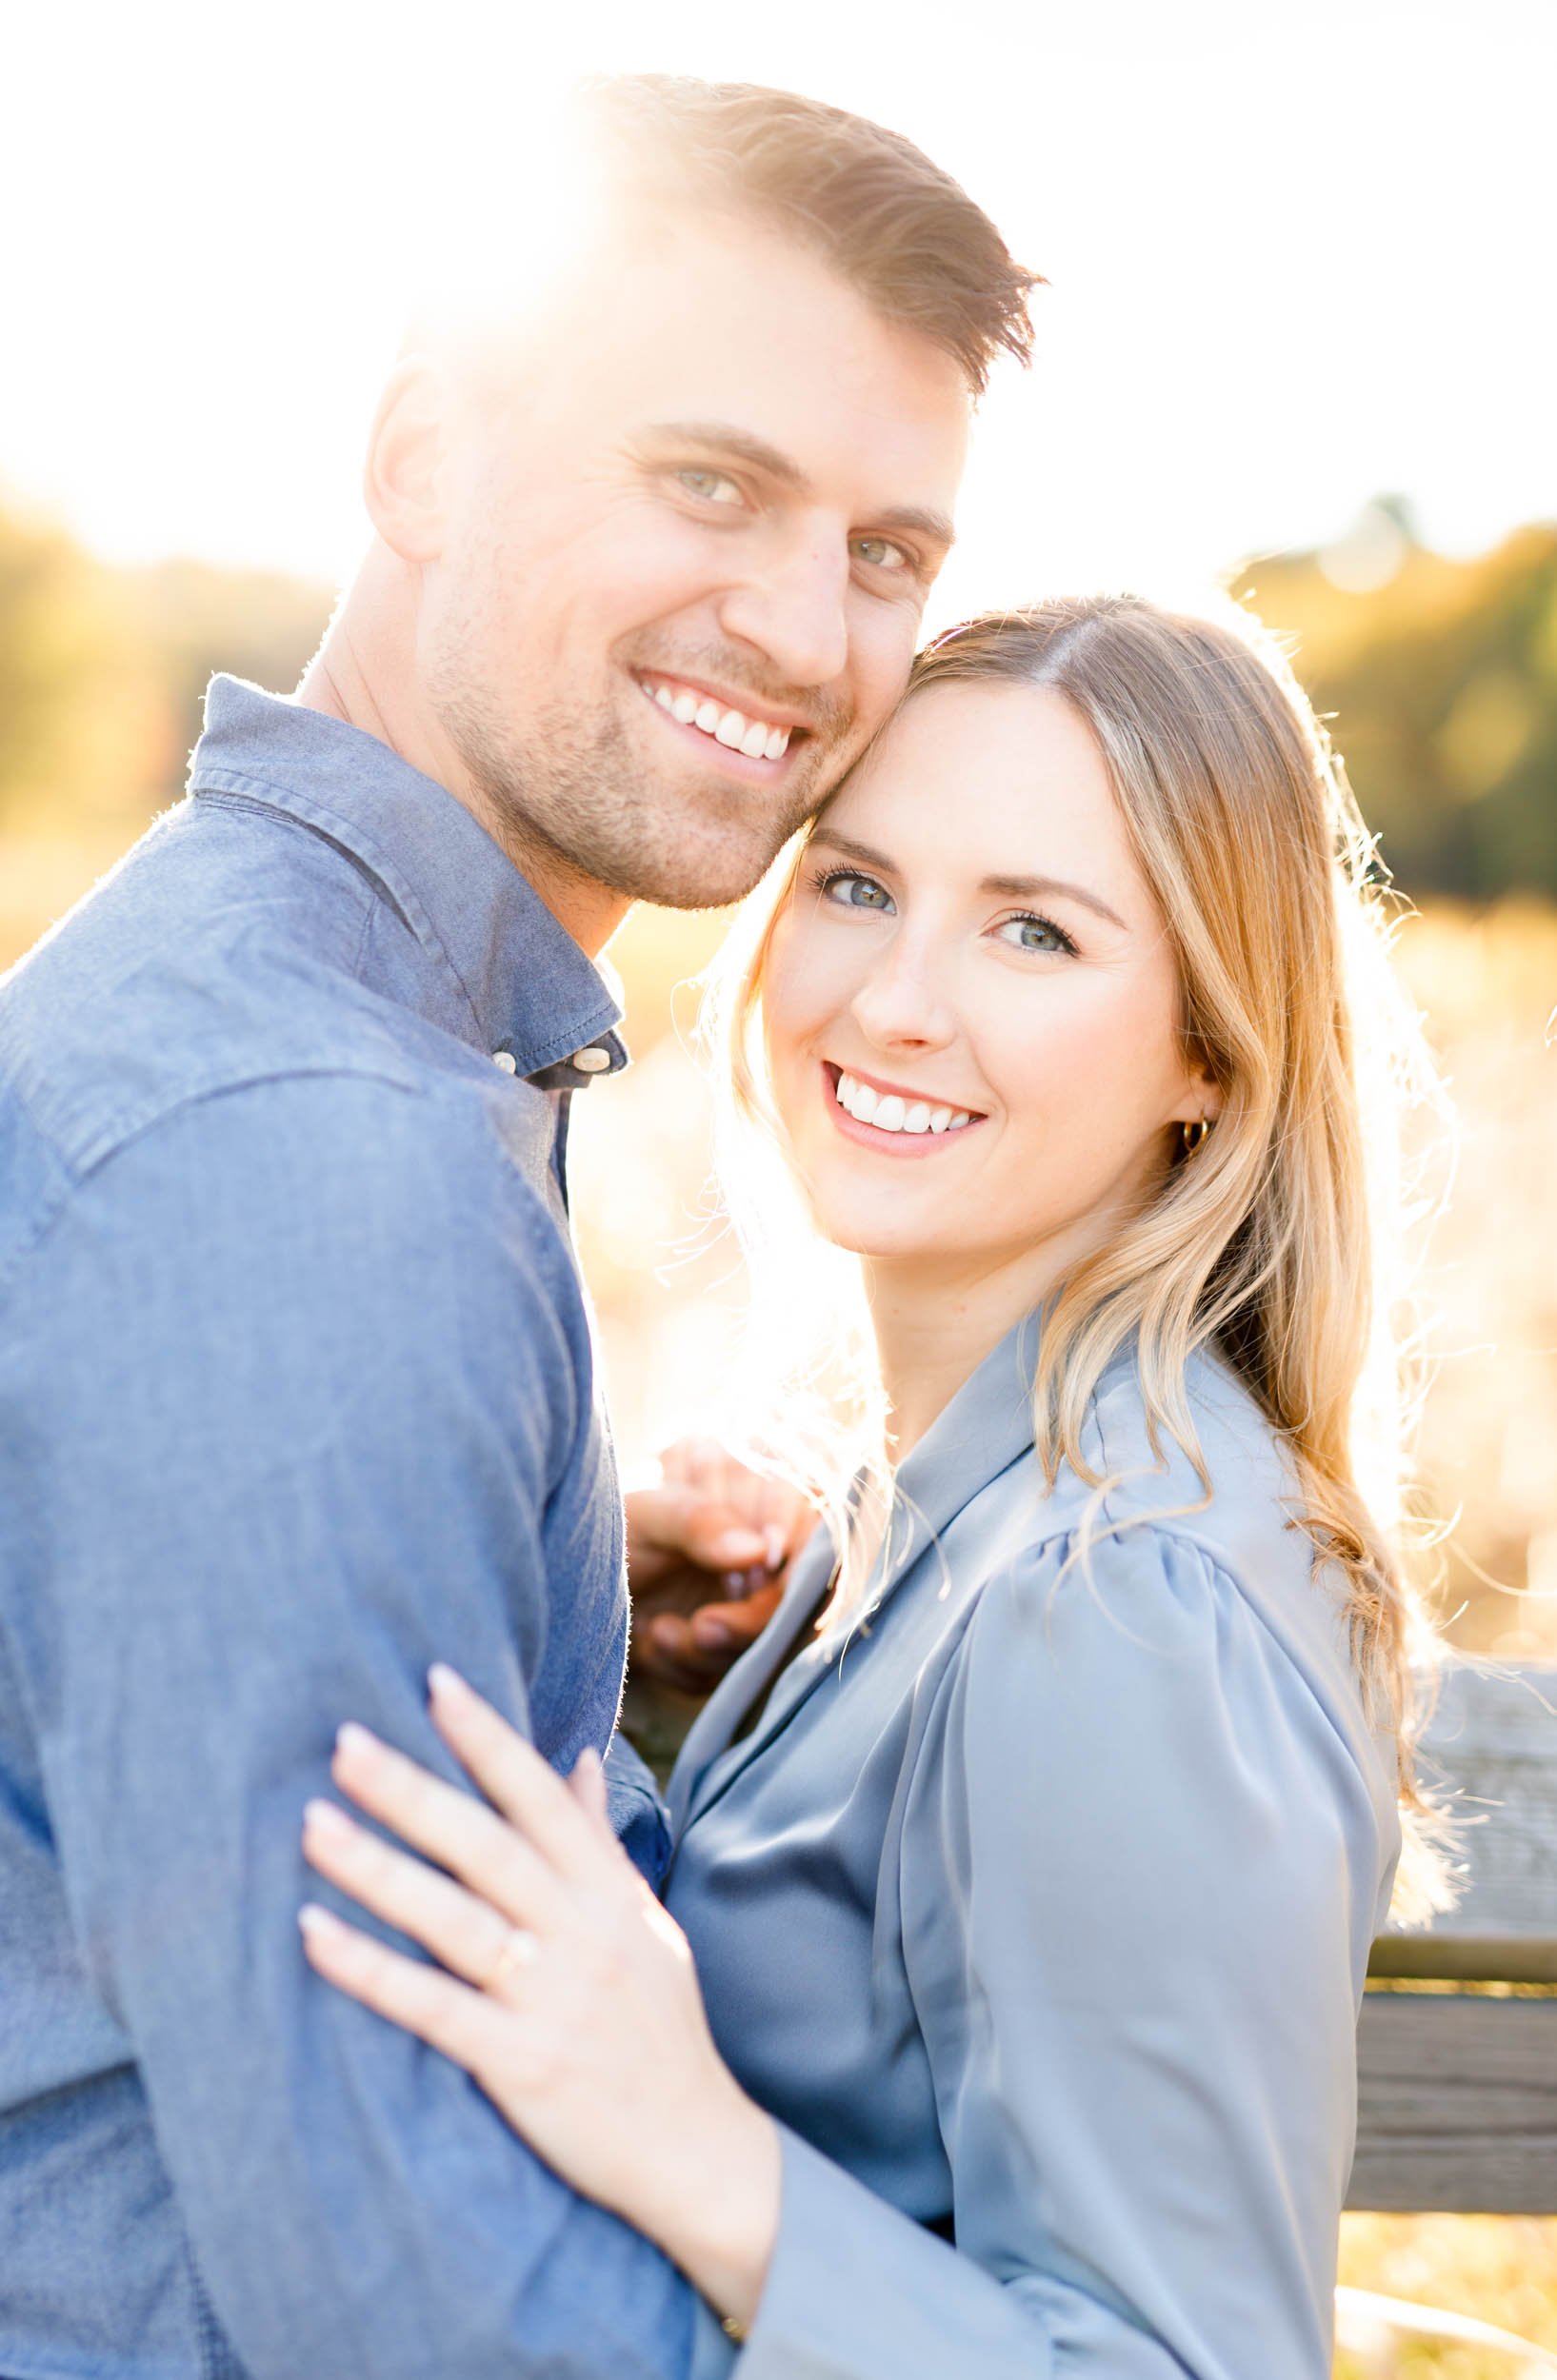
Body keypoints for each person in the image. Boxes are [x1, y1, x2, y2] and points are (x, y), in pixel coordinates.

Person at [0, 79, 1035, 2380]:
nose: (797, 626)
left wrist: (561, 1610)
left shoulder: (331, 1031)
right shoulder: (305, 1159)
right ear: (417, 468)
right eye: (708, 482)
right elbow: (398, 2289)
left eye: (886, 550)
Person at [297, 596, 1455, 2378]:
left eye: (1036, 933)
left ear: (1213, 1050)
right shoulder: (968, 1498)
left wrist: (697, 2149)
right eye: (856, 884)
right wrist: (697, 1668)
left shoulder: (1124, 1605)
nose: (896, 1002)